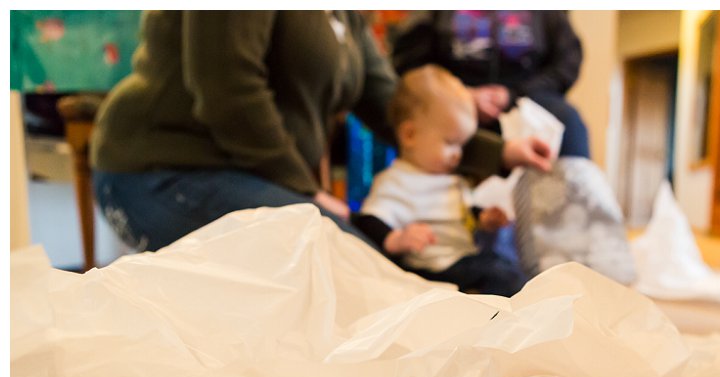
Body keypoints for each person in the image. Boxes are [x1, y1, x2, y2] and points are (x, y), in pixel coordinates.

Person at [90, 10, 552, 253]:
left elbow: (393, 104)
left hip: (250, 175)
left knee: (361, 266)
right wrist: (307, 190)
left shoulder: (344, 15)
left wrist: (498, 152)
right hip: (162, 170)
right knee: (347, 262)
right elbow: (227, 87)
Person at [352, 66, 527, 297]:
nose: (458, 155)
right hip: (431, 268)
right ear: (410, 135)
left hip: (461, 259)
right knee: (500, 273)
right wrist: (396, 238)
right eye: (450, 143)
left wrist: (482, 218)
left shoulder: (449, 179)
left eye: (461, 145)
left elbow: (461, 214)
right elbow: (368, 220)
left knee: (504, 261)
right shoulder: (396, 181)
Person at [391, 10, 591, 159]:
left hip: (528, 95)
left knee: (568, 121)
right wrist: (460, 94)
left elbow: (567, 61)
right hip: (453, 97)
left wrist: (512, 95)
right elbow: (409, 61)